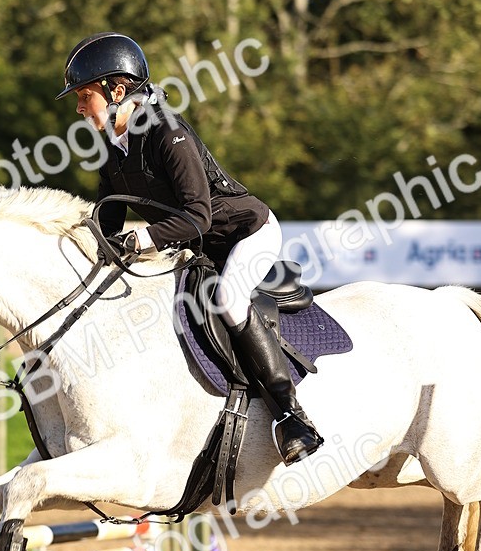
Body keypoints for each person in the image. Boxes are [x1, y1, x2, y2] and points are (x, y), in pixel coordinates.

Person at [56, 31, 323, 465]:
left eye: (85, 96)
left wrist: (142, 238)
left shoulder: (168, 133)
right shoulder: (113, 147)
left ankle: (290, 416)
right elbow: (108, 221)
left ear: (117, 91)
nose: (80, 107)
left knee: (229, 300)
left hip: (245, 231)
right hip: (198, 245)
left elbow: (197, 215)